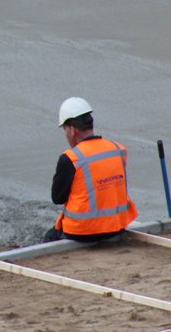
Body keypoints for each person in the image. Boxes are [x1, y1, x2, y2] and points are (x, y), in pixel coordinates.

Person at [44, 97, 138, 242]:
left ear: (72, 130)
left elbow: (58, 198)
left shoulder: (70, 158)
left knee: (50, 238)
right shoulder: (118, 149)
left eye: (65, 130)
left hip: (83, 231)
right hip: (117, 226)